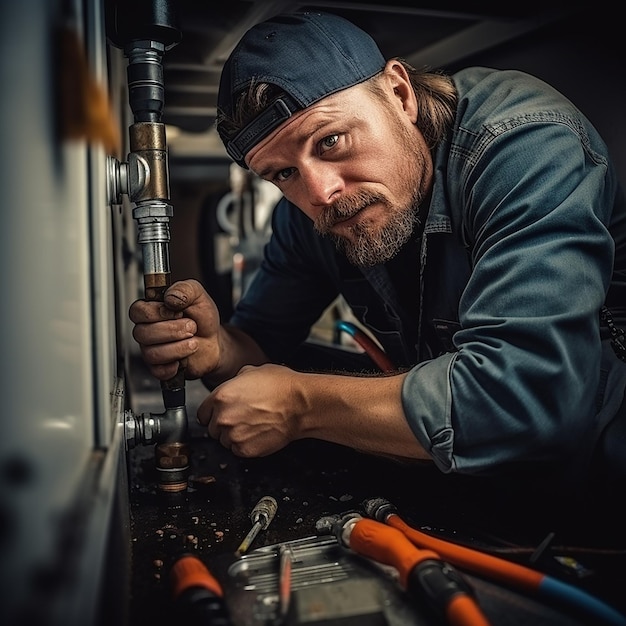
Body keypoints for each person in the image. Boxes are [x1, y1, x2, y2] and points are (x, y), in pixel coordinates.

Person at [129, 11, 626, 505]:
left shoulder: (524, 146)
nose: (320, 193)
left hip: (598, 490)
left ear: (399, 94)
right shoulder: (308, 217)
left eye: (331, 141)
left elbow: (528, 399)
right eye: (282, 174)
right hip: (467, 488)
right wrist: (217, 349)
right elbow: (261, 344)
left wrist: (303, 405)